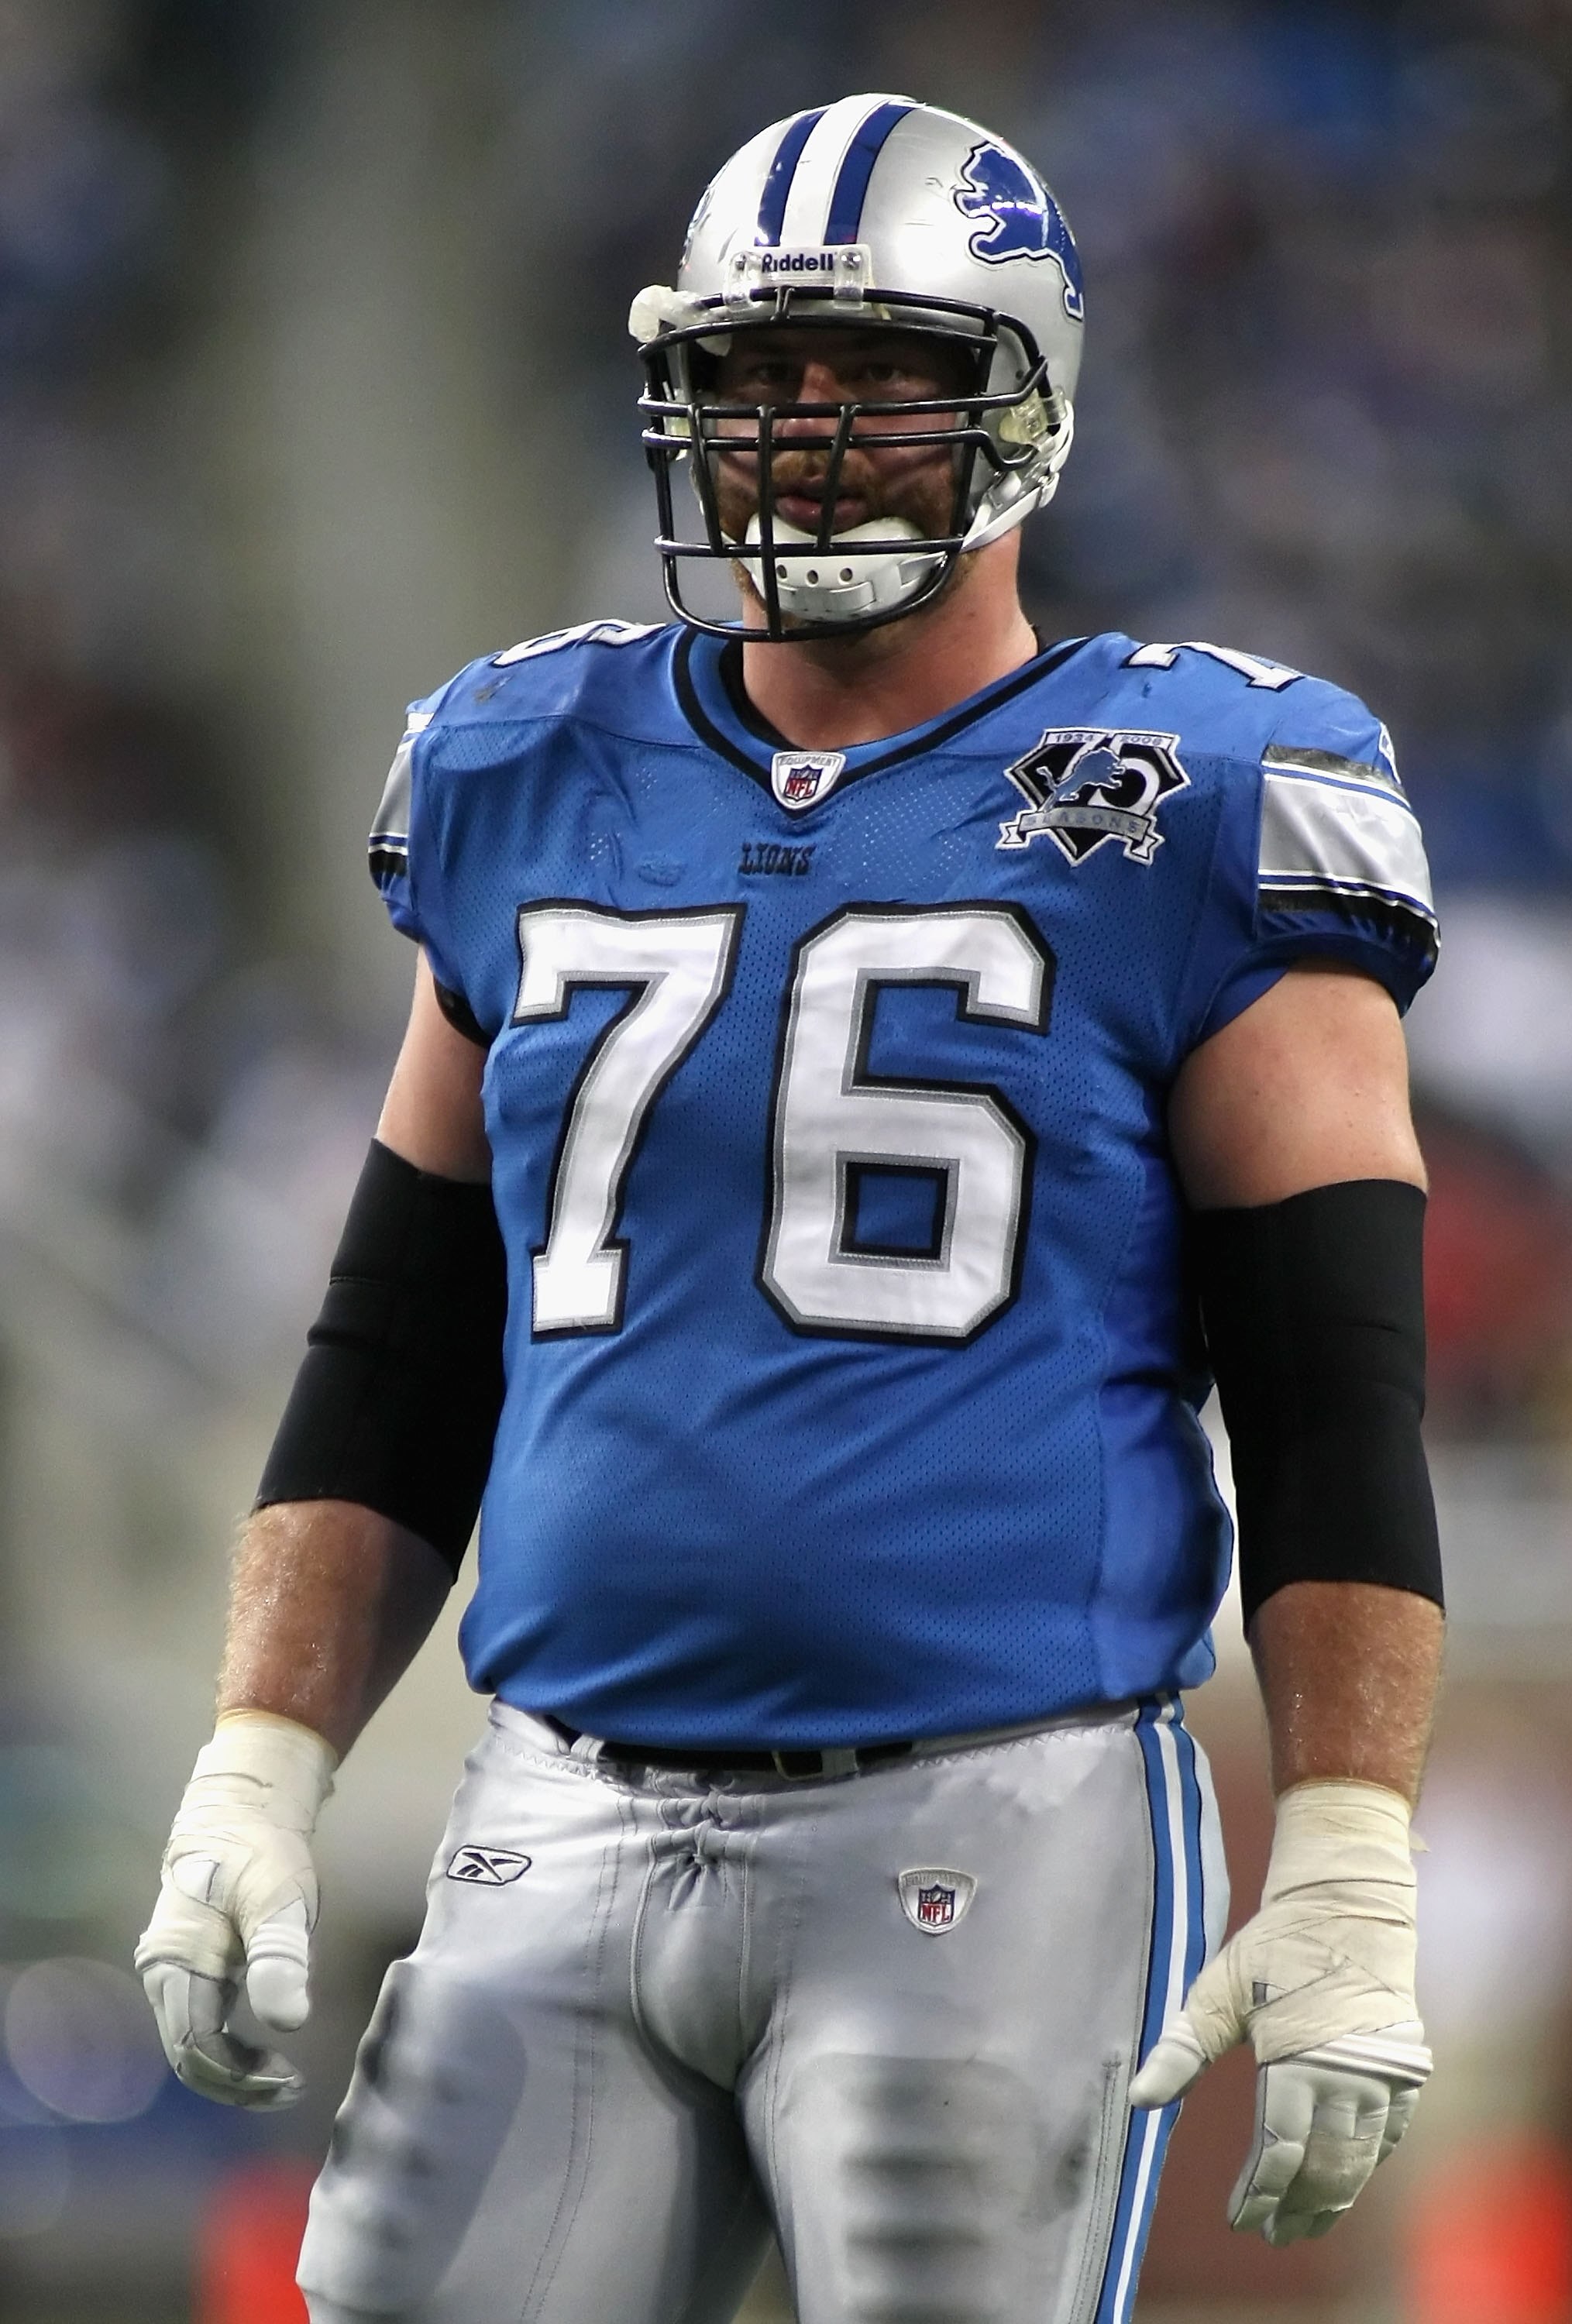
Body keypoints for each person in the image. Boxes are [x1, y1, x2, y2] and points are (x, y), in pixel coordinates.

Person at [136, 94, 1444, 2324]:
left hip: (992, 1818)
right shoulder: (522, 761)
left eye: (878, 376)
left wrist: (1348, 1842)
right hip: (554, 1804)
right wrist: (258, 1762)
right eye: (758, 378)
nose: (807, 436)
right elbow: (400, 1345)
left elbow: (1332, 1382)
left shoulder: (1200, 788)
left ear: (1020, 406)